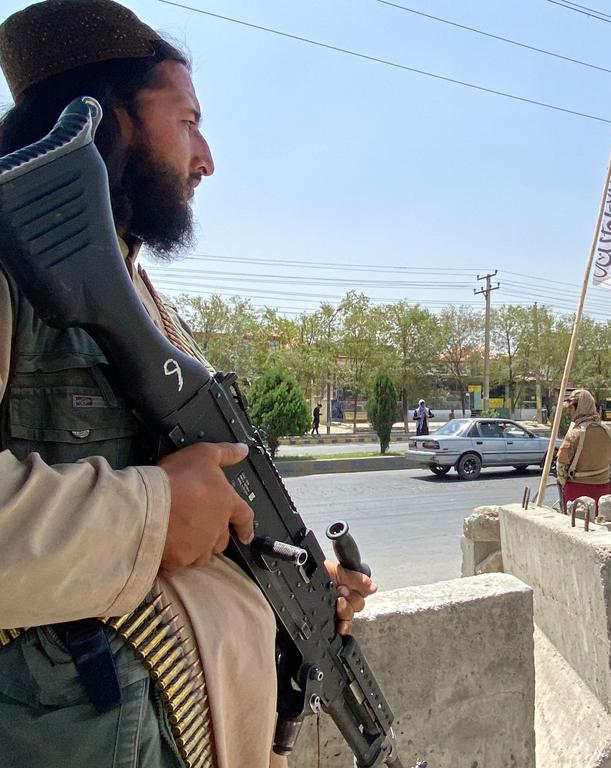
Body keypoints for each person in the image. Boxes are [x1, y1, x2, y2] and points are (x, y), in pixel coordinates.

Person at [0, 3, 374, 766]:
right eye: (189, 119)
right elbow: (159, 508)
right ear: (111, 117)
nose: (207, 158)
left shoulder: (129, 292)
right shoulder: (14, 275)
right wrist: (152, 512)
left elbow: (196, 506)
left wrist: (294, 574)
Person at [556, 389, 611, 511]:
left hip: (577, 492)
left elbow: (561, 467)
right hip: (604, 491)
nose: (568, 411)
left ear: (578, 408)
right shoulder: (609, 431)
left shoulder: (574, 435)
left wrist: (564, 483)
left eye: (570, 407)